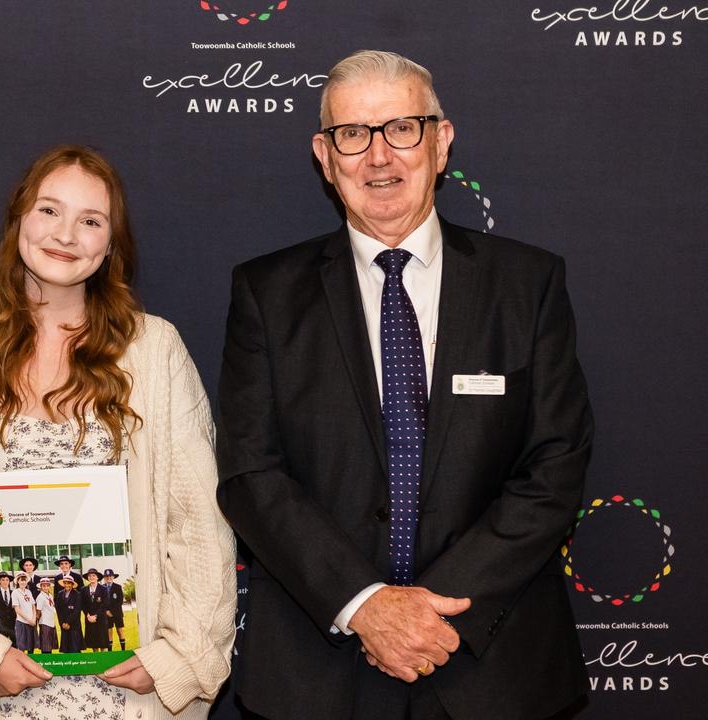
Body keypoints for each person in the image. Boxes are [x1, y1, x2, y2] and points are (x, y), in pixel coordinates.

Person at [217, 50, 592, 720]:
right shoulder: (266, 294)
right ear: (324, 156)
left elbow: (555, 464)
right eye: (352, 135)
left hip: (493, 663)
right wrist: (367, 607)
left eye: (402, 128)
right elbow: (252, 472)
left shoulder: (527, 284)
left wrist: (427, 611)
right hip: (320, 674)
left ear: (442, 142)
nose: (378, 157)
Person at [0, 145, 237, 719]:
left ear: (111, 246)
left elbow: (198, 521)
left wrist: (174, 657)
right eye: (49, 211)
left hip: (131, 689)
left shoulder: (155, 352)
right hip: (4, 692)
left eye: (91, 221)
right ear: (18, 223)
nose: (66, 235)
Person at [82, 568, 111, 651]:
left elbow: (105, 604)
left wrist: (96, 616)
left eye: (93, 575)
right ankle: (96, 661)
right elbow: (83, 605)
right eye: (89, 576)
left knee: (103, 644)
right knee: (93, 644)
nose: (91, 577)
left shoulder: (103, 589)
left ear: (97, 577)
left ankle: (105, 662)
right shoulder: (84, 590)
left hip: (101, 619)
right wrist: (87, 615)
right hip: (89, 619)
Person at [55, 575, 85, 654]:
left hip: (74, 624)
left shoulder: (77, 594)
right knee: (66, 648)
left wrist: (68, 622)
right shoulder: (60, 594)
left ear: (72, 584)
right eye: (65, 583)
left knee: (75, 648)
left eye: (69, 583)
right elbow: (58, 610)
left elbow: (77, 610)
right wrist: (62, 623)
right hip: (64, 625)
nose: (67, 585)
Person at [0, 572, 18, 645]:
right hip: (2, 624)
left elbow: (16, 606)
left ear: (9, 581)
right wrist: (1, 617)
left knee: (15, 643)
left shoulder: (14, 593)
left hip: (13, 623)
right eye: (3, 580)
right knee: (3, 644)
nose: (5, 582)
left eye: (7, 580)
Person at [12, 572, 38, 652]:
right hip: (22, 622)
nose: (23, 582)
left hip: (31, 623)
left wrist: (33, 619)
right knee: (22, 647)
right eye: (21, 580)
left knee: (31, 647)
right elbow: (17, 609)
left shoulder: (28, 592)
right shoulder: (15, 592)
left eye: (24, 580)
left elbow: (33, 606)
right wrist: (28, 620)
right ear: (18, 581)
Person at [102, 568, 126, 651]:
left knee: (120, 630)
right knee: (109, 632)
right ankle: (110, 651)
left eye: (110, 576)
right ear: (104, 578)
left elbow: (120, 601)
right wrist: (106, 611)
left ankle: (123, 650)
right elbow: (101, 602)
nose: (108, 578)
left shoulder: (118, 587)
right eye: (106, 576)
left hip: (117, 613)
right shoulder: (102, 588)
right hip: (106, 614)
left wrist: (112, 612)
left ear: (113, 577)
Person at [35, 577, 59, 654]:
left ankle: (51, 662)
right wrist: (38, 623)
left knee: (50, 645)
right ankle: (46, 662)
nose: (45, 587)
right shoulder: (40, 597)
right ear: (41, 587)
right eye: (43, 586)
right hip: (44, 623)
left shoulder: (50, 596)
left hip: (51, 622)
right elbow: (38, 611)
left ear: (49, 586)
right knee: (46, 646)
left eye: (47, 585)